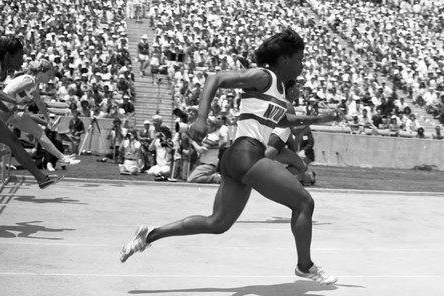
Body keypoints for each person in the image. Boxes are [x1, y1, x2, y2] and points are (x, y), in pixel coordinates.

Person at [120, 28, 339, 285]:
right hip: (249, 155)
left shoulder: (277, 91)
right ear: (284, 59)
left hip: (237, 158)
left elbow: (283, 119)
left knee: (218, 222)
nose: (302, 64)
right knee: (304, 204)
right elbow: (216, 78)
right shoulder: (265, 75)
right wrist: (200, 118)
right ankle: (305, 266)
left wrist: (319, 119)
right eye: (300, 58)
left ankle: (149, 235)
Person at [0, 37, 62, 189]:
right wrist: (13, 101)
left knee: (12, 141)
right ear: (8, 56)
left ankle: (42, 179)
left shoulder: (3, 72)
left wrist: (9, 109)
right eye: (19, 55)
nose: (23, 59)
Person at [0, 58, 80, 166]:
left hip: (9, 111)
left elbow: (39, 102)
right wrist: (17, 105)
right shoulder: (29, 80)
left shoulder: (33, 84)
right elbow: (11, 92)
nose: (51, 77)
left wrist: (47, 120)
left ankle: (63, 158)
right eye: (49, 74)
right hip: (2, 109)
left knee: (38, 132)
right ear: (41, 72)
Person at [186, 116, 228, 184]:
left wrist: (193, 142)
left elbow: (201, 150)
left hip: (208, 165)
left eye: (208, 125)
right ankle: (213, 177)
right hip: (206, 164)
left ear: (213, 127)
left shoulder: (212, 137)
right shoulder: (209, 136)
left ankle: (214, 178)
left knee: (191, 179)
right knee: (192, 178)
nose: (206, 126)